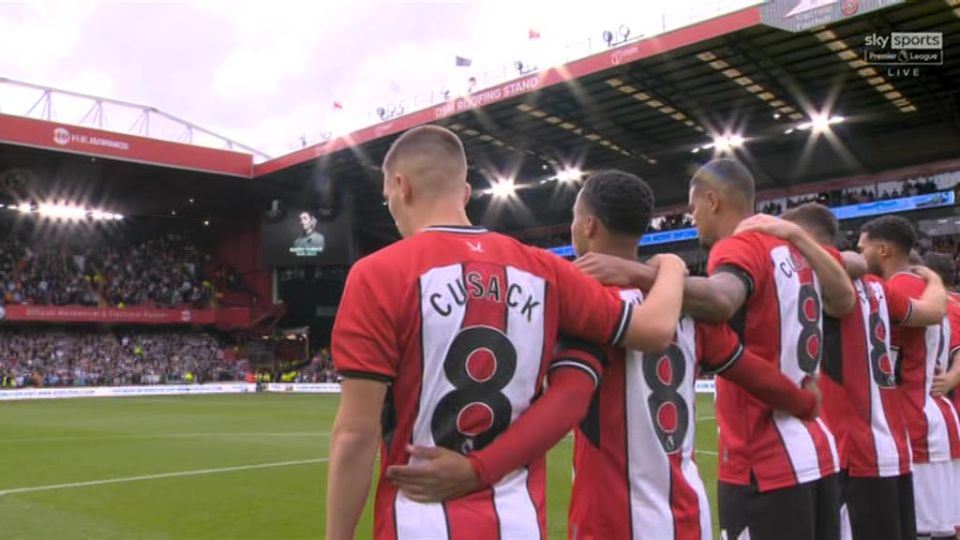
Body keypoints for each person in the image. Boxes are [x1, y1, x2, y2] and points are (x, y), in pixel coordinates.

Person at [387, 170, 822, 539]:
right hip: (689, 514)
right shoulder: (684, 303)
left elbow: (567, 402)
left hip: (615, 519)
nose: (574, 228)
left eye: (575, 218)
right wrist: (805, 400)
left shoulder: (594, 305)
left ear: (589, 225)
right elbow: (751, 371)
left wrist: (477, 468)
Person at [325, 126, 689, 540]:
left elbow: (356, 435)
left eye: (387, 196)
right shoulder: (544, 269)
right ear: (464, 193)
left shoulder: (376, 275)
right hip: (517, 522)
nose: (390, 205)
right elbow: (654, 329)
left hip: (417, 521)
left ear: (400, 186)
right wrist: (672, 267)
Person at [575, 159, 857, 540]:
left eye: (693, 209)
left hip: (759, 461)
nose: (692, 219)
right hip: (805, 451)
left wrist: (656, 272)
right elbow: (844, 295)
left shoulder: (737, 249)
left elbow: (724, 299)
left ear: (713, 200)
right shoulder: (791, 252)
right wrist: (806, 402)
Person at [741, 203, 949, 540]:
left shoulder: (820, 287)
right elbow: (932, 310)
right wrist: (936, 279)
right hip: (893, 447)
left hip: (852, 452)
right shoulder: (879, 287)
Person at [858, 216, 960, 539]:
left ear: (883, 249)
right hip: (931, 414)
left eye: (863, 249)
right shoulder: (928, 289)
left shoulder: (896, 290)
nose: (859, 256)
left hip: (914, 420)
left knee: (924, 530)